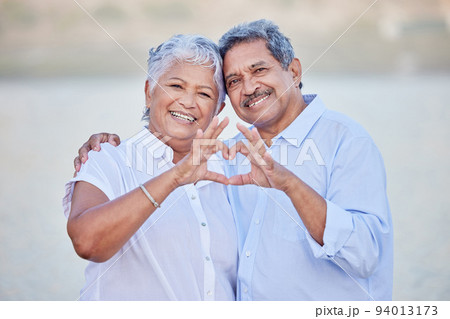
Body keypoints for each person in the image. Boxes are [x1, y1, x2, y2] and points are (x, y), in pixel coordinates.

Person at [75, 20, 393, 301]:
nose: (249, 87)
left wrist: (291, 185)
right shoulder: (225, 156)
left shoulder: (346, 140)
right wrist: (108, 143)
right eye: (234, 80)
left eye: (259, 70)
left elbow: (365, 256)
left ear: (294, 71)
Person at [63, 34, 238, 300]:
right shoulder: (108, 159)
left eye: (204, 93)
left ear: (218, 109)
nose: (188, 102)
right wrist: (176, 176)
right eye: (176, 86)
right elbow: (87, 243)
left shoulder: (229, 172)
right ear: (149, 92)